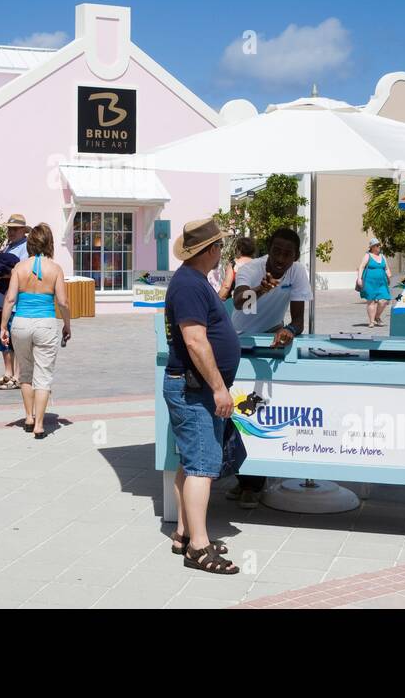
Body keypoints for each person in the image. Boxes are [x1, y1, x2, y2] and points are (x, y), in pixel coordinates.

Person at [163, 218, 240, 575]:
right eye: (220, 246)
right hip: (195, 389)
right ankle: (198, 546)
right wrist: (219, 388)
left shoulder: (194, 281)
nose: (221, 251)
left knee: (191, 461)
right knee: (202, 468)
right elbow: (195, 340)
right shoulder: (189, 285)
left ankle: (184, 533)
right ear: (209, 250)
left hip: (193, 387)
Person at [228, 227, 311, 509]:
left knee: (261, 411)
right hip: (237, 343)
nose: (280, 258)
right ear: (269, 249)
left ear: (295, 256)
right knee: (240, 411)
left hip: (268, 343)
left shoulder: (298, 272)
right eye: (276, 250)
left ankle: (251, 482)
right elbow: (239, 303)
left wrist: (288, 329)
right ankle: (246, 481)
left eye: (287, 253)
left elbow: (299, 321)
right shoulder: (251, 269)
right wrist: (261, 289)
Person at [0, 223, 71, 438]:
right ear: (49, 243)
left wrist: (4, 326)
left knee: (26, 372)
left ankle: (28, 417)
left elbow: (10, 299)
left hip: (21, 323)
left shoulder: (19, 268)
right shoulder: (55, 269)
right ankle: (39, 425)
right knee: (44, 374)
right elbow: (63, 302)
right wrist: (67, 324)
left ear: (30, 243)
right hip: (45, 324)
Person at [0, 213, 30, 389]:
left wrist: (5, 273)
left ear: (23, 230)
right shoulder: (8, 246)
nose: (10, 232)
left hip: (16, 302)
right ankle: (8, 373)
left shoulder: (26, 248)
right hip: (3, 300)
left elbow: (24, 272)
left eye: (14, 229)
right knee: (3, 339)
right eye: (9, 229)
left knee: (16, 339)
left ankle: (18, 376)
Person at [356, 237, 393, 328]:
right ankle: (371, 321)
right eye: (377, 245)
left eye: (379, 245)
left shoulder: (382, 256)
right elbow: (361, 267)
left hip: (382, 283)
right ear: (372, 247)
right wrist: (359, 279)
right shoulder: (368, 255)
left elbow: (386, 268)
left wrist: (389, 274)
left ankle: (377, 316)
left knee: (384, 300)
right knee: (371, 301)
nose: (379, 247)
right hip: (369, 282)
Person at [212, 236, 256, 301]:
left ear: (239, 250)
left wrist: (217, 299)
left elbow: (226, 286)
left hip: (236, 301)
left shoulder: (234, 264)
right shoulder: (257, 264)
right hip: (254, 301)